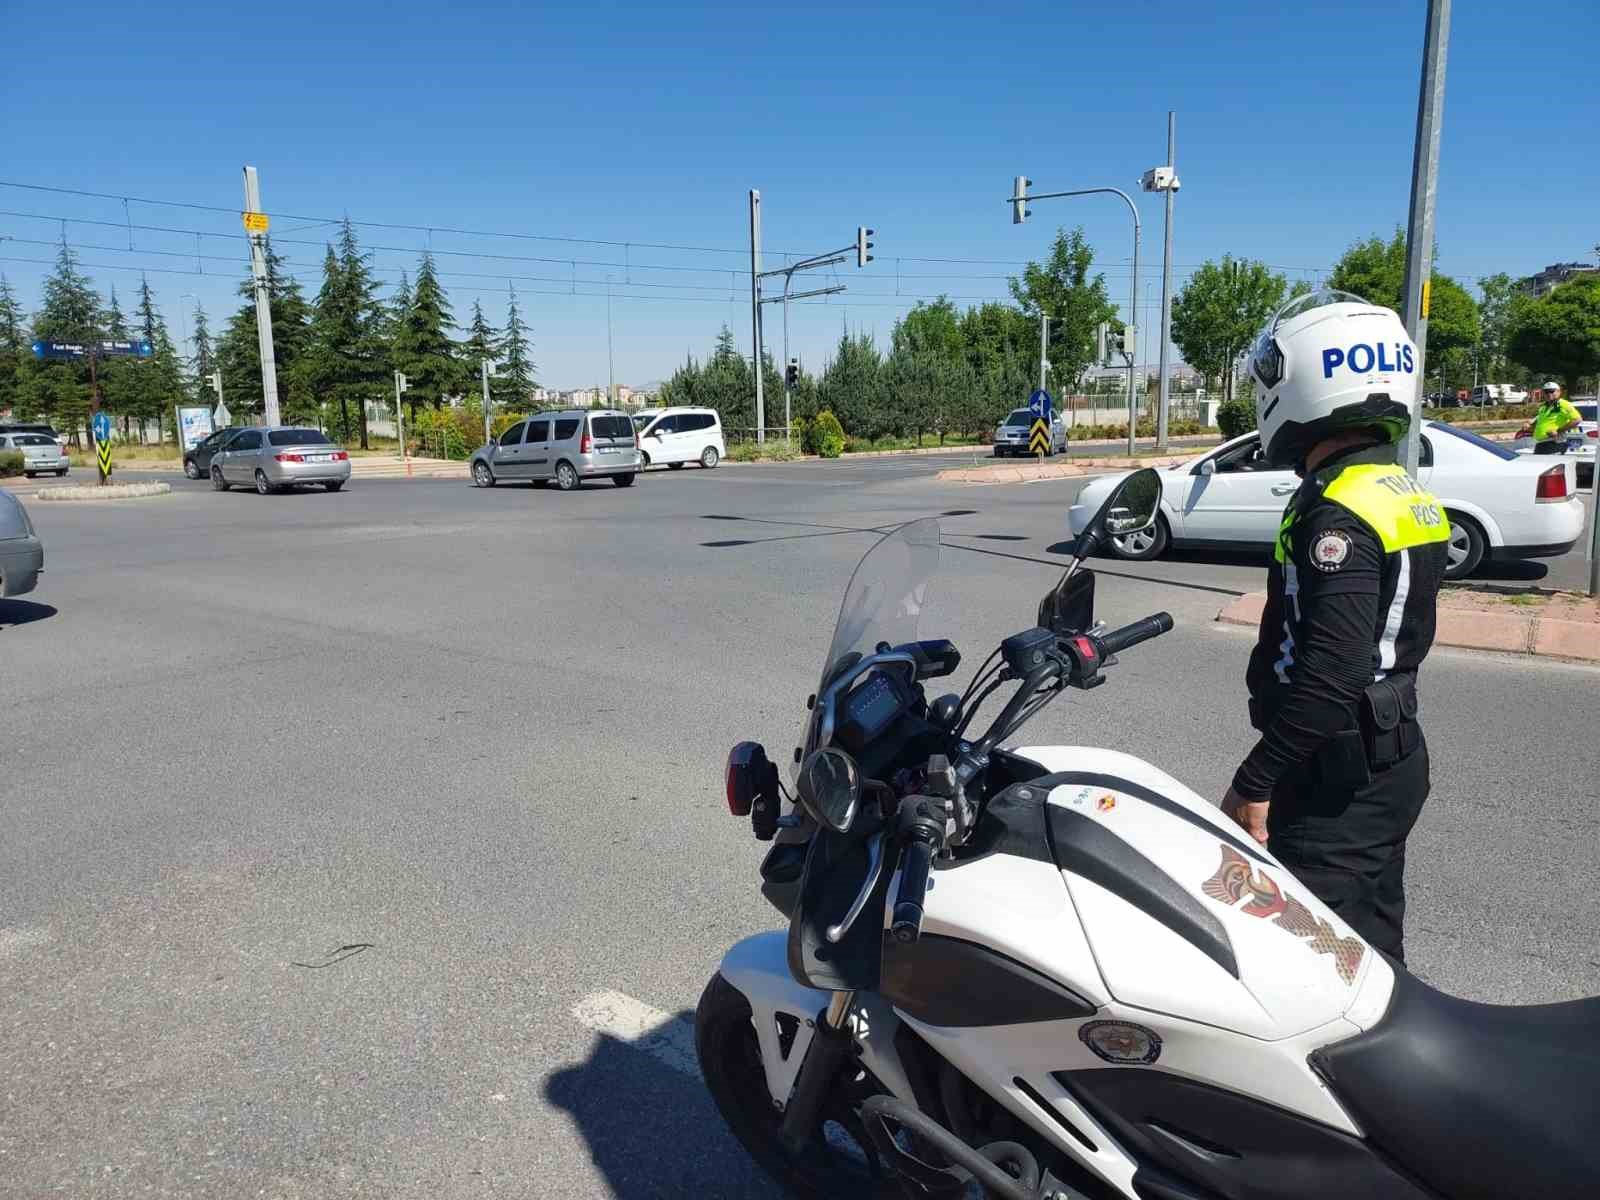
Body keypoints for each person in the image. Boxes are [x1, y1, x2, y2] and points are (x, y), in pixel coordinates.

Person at [1221, 291, 1449, 964]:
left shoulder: (1336, 513)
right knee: (1376, 948)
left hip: (1335, 783)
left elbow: (1334, 673)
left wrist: (1254, 779)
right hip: (1388, 756)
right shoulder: (1396, 487)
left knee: (1308, 962)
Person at [1531, 381, 1581, 454]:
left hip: (1555, 443)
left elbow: (1577, 420)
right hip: (1541, 443)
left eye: (1551, 391)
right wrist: (1530, 425)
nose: (1549, 394)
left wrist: (1558, 431)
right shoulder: (1544, 406)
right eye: (1546, 392)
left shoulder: (1563, 404)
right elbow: (1542, 421)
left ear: (1558, 392)